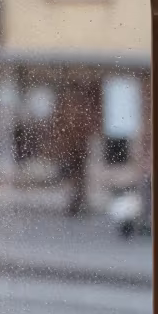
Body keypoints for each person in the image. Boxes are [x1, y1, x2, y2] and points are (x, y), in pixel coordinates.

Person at [52, 79, 98, 216]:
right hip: (72, 147)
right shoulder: (71, 107)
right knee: (74, 176)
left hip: (76, 147)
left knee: (78, 176)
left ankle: (78, 201)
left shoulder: (74, 107)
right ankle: (76, 201)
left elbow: (84, 126)